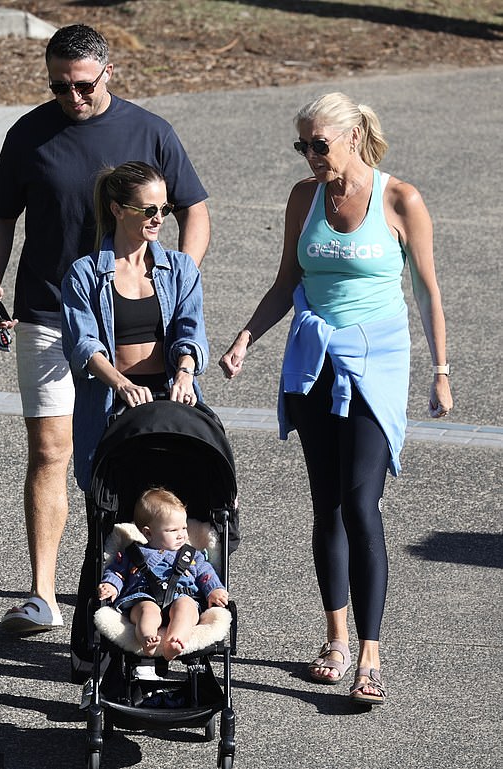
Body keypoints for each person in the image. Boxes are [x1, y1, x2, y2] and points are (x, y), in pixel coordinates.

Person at [219, 92, 453, 706]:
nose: (310, 156)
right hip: (314, 359)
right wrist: (246, 337)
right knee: (326, 504)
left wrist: (442, 370)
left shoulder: (402, 200)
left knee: (360, 502)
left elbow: (427, 292)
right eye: (302, 146)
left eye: (319, 144)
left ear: (353, 137)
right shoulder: (305, 197)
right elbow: (286, 282)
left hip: (378, 360)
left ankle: (371, 656)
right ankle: (336, 638)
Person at [0, 23, 210, 636]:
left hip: (130, 318)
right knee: (53, 450)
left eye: (82, 85)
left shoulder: (149, 130)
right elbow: (0, 217)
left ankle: (136, 578)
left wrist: (173, 280)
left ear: (108, 73)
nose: (71, 98)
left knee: (138, 454)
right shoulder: (29, 134)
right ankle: (42, 596)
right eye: (59, 86)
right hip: (51, 311)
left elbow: (195, 211)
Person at [61, 160, 209, 682]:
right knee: (107, 531)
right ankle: (91, 652)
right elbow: (83, 342)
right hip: (111, 415)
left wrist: (186, 370)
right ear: (118, 209)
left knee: (172, 529)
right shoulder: (85, 273)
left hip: (168, 412)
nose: (159, 218)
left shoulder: (178, 269)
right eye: (149, 209)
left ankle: (170, 639)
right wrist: (118, 381)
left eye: (165, 209)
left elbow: (190, 329)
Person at [98, 487, 229, 661]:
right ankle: (147, 638)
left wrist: (214, 590)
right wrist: (111, 585)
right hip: (143, 596)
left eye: (184, 528)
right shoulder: (134, 552)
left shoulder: (192, 555)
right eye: (173, 531)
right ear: (148, 533)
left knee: (186, 609)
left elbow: (206, 574)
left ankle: (175, 640)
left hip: (183, 595)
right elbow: (117, 571)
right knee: (147, 612)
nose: (182, 535)